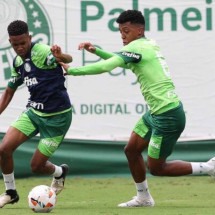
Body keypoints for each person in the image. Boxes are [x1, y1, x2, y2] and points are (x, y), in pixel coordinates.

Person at [60, 10, 215, 207]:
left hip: (168, 116)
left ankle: (209, 167)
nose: (123, 35)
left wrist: (72, 70)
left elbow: (107, 67)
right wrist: (97, 51)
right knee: (132, 150)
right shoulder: (147, 45)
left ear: (139, 30)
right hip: (156, 113)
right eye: (120, 32)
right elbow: (124, 62)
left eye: (126, 30)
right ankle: (143, 197)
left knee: (156, 168)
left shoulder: (138, 47)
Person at [0, 20, 73, 208]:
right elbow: (9, 92)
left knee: (37, 167)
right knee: (3, 150)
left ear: (30, 38)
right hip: (33, 113)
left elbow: (67, 59)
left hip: (57, 118)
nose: (19, 47)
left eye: (23, 43)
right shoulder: (17, 61)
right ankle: (10, 192)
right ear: (10, 42)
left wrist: (60, 55)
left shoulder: (41, 51)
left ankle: (59, 172)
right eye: (15, 44)